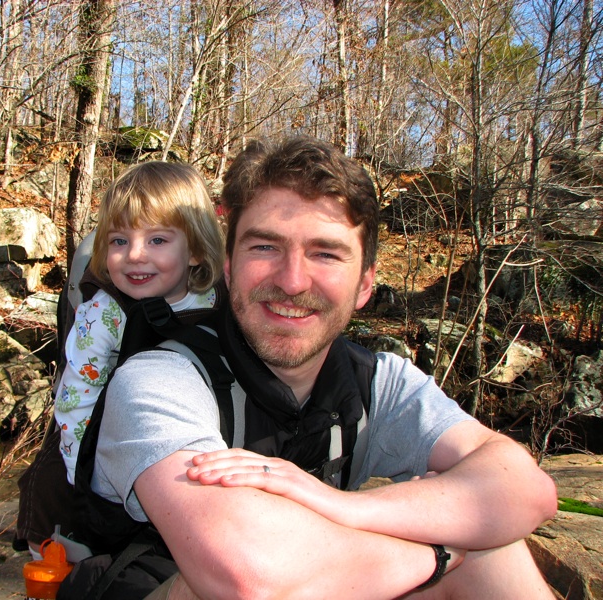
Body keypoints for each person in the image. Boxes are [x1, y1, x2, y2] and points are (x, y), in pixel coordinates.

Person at [77, 136, 557, 599]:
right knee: (482, 540)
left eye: (325, 253)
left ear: (366, 284)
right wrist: (443, 553)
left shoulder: (378, 382)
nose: (291, 280)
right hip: (160, 583)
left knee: (499, 549)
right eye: (264, 247)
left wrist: (339, 504)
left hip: (323, 575)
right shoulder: (159, 380)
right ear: (228, 266)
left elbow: (526, 489)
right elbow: (246, 575)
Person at [53, 160, 225, 486]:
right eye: (119, 241)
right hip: (117, 456)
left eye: (157, 240)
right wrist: (84, 480)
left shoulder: (215, 299)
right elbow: (75, 402)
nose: (134, 255)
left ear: (196, 250)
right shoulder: (103, 315)